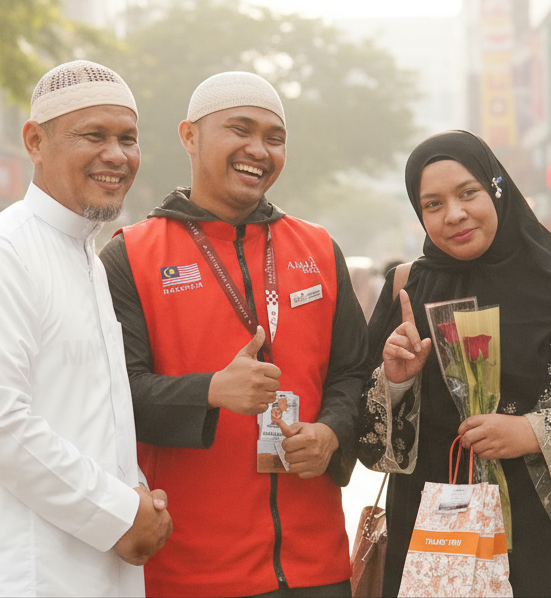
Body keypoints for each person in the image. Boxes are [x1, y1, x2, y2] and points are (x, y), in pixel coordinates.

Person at [357, 130, 551, 596]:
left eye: (468, 193)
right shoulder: (409, 290)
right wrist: (395, 383)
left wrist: (532, 432)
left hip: (549, 546)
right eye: (433, 204)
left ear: (497, 189)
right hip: (438, 542)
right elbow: (365, 426)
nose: (454, 214)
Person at [101, 71, 369, 597]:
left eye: (274, 137)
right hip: (190, 570)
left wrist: (332, 431)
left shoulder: (318, 248)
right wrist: (211, 391)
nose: (259, 150)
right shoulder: (130, 255)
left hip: (317, 567)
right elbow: (114, 396)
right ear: (189, 136)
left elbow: (355, 371)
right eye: (240, 130)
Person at [0, 60, 171, 597]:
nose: (117, 155)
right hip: (14, 575)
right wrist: (119, 514)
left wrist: (138, 500)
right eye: (94, 136)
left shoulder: (86, 259)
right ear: (35, 141)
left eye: (128, 139)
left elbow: (93, 418)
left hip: (89, 569)